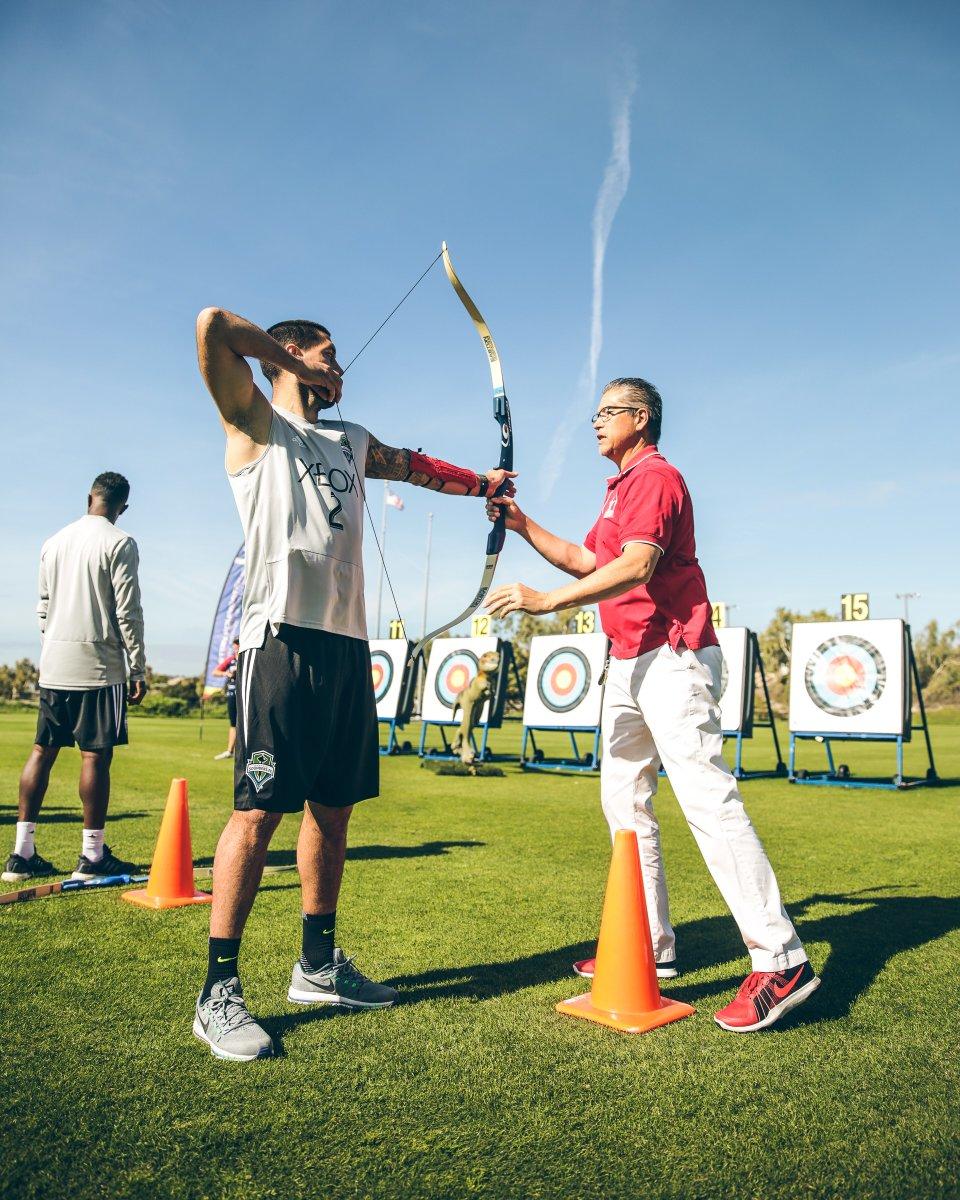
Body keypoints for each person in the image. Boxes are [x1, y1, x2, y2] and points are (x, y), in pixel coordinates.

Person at [193, 307, 516, 1060]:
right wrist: (294, 368)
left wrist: (484, 486)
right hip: (279, 642)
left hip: (344, 648)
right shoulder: (253, 421)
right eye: (326, 355)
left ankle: (317, 965)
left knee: (332, 815)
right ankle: (218, 993)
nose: (339, 368)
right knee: (256, 816)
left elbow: (414, 466)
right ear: (291, 355)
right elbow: (213, 326)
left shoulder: (353, 440)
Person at [485, 378, 819, 1032]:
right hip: (629, 656)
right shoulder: (618, 490)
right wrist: (522, 525)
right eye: (597, 412)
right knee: (623, 801)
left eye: (607, 412)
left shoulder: (656, 478)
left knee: (705, 796)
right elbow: (589, 559)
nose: (596, 422)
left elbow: (637, 567)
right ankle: (649, 945)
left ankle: (782, 958)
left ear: (640, 419)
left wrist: (545, 601)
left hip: (672, 650)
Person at [2, 472, 147, 884]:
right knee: (95, 756)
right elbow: (128, 611)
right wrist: (136, 666)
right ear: (122, 507)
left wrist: (53, 646)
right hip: (99, 665)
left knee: (41, 751)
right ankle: (91, 856)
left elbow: (43, 606)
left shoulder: (53, 541)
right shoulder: (120, 542)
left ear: (90, 497)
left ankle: (21, 854)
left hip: (54, 664)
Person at [212, 637, 240, 760]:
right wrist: (227, 673)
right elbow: (215, 672)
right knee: (233, 723)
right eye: (236, 645)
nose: (237, 647)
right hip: (232, 694)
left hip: (244, 694)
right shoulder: (231, 660)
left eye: (238, 644)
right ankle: (230, 751)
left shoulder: (247, 657)